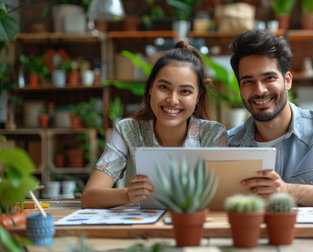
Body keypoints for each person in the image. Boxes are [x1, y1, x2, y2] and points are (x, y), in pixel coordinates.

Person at [227, 30, 313, 207]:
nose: (260, 90)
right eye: (248, 81)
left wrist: (288, 191)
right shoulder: (228, 144)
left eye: (269, 78)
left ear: (287, 80)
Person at [81, 41, 228, 209]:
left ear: (198, 97)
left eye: (185, 91)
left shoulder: (213, 134)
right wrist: (128, 193)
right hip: (141, 231)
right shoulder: (127, 130)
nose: (172, 100)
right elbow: (89, 198)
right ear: (151, 88)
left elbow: (220, 199)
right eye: (164, 87)